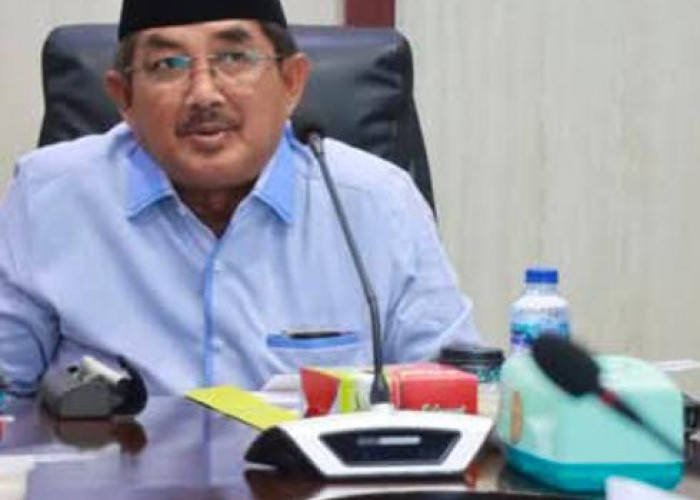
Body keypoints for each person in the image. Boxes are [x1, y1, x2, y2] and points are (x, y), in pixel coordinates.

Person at [0, 0, 480, 397]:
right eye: (168, 65)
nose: (204, 93)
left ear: (291, 82)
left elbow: (454, 393)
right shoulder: (49, 197)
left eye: (234, 58)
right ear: (123, 96)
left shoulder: (378, 203)